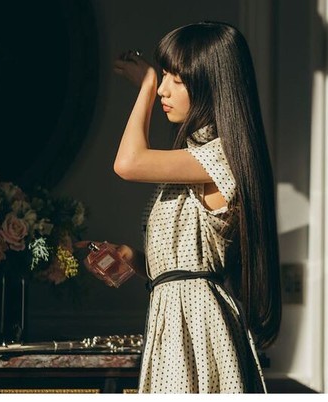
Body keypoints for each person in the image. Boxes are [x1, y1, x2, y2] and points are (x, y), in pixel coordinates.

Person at [77, 21, 281, 393]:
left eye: (177, 79)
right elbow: (190, 261)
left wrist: (146, 85)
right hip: (176, 319)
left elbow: (128, 163)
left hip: (197, 327)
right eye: (163, 77)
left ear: (210, 85)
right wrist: (135, 259)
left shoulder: (221, 156)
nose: (164, 89)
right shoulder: (192, 159)